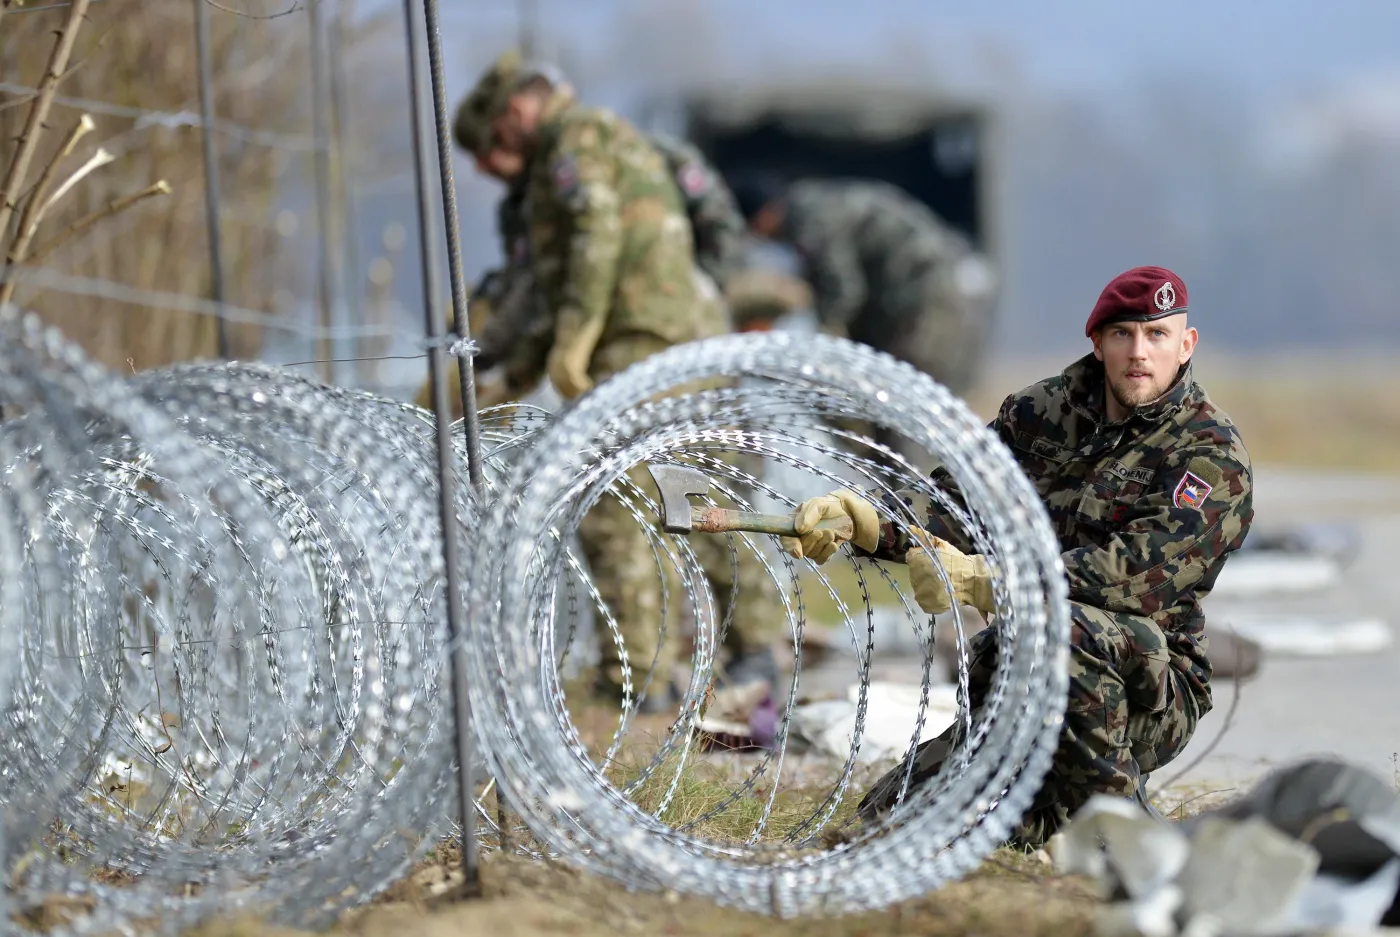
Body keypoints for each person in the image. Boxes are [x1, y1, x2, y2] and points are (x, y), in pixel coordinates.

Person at [781, 266, 1254, 846]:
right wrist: (869, 522)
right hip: (1016, 670)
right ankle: (1038, 816)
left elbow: (1139, 575)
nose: (1139, 352)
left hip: (1144, 684)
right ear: (1098, 341)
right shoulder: (1040, 415)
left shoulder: (1209, 453)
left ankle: (1122, 831)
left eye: (1157, 335)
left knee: (1062, 631)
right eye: (1123, 334)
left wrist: (996, 582)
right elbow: (955, 501)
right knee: (888, 824)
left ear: (1186, 344)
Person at [454, 50, 781, 708]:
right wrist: (495, 368)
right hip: (675, 337)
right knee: (694, 495)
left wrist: (574, 337)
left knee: (612, 500)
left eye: (486, 148)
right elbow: (545, 284)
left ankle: (642, 674)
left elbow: (593, 240)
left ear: (515, 113)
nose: (487, 168)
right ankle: (755, 649)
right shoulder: (563, 160)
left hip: (642, 340)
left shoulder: (576, 140)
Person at [729, 173, 997, 462]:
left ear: (763, 216)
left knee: (905, 408)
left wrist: (820, 351)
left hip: (922, 298)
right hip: (925, 294)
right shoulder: (813, 204)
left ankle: (915, 495)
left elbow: (844, 289)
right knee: (908, 407)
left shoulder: (809, 219)